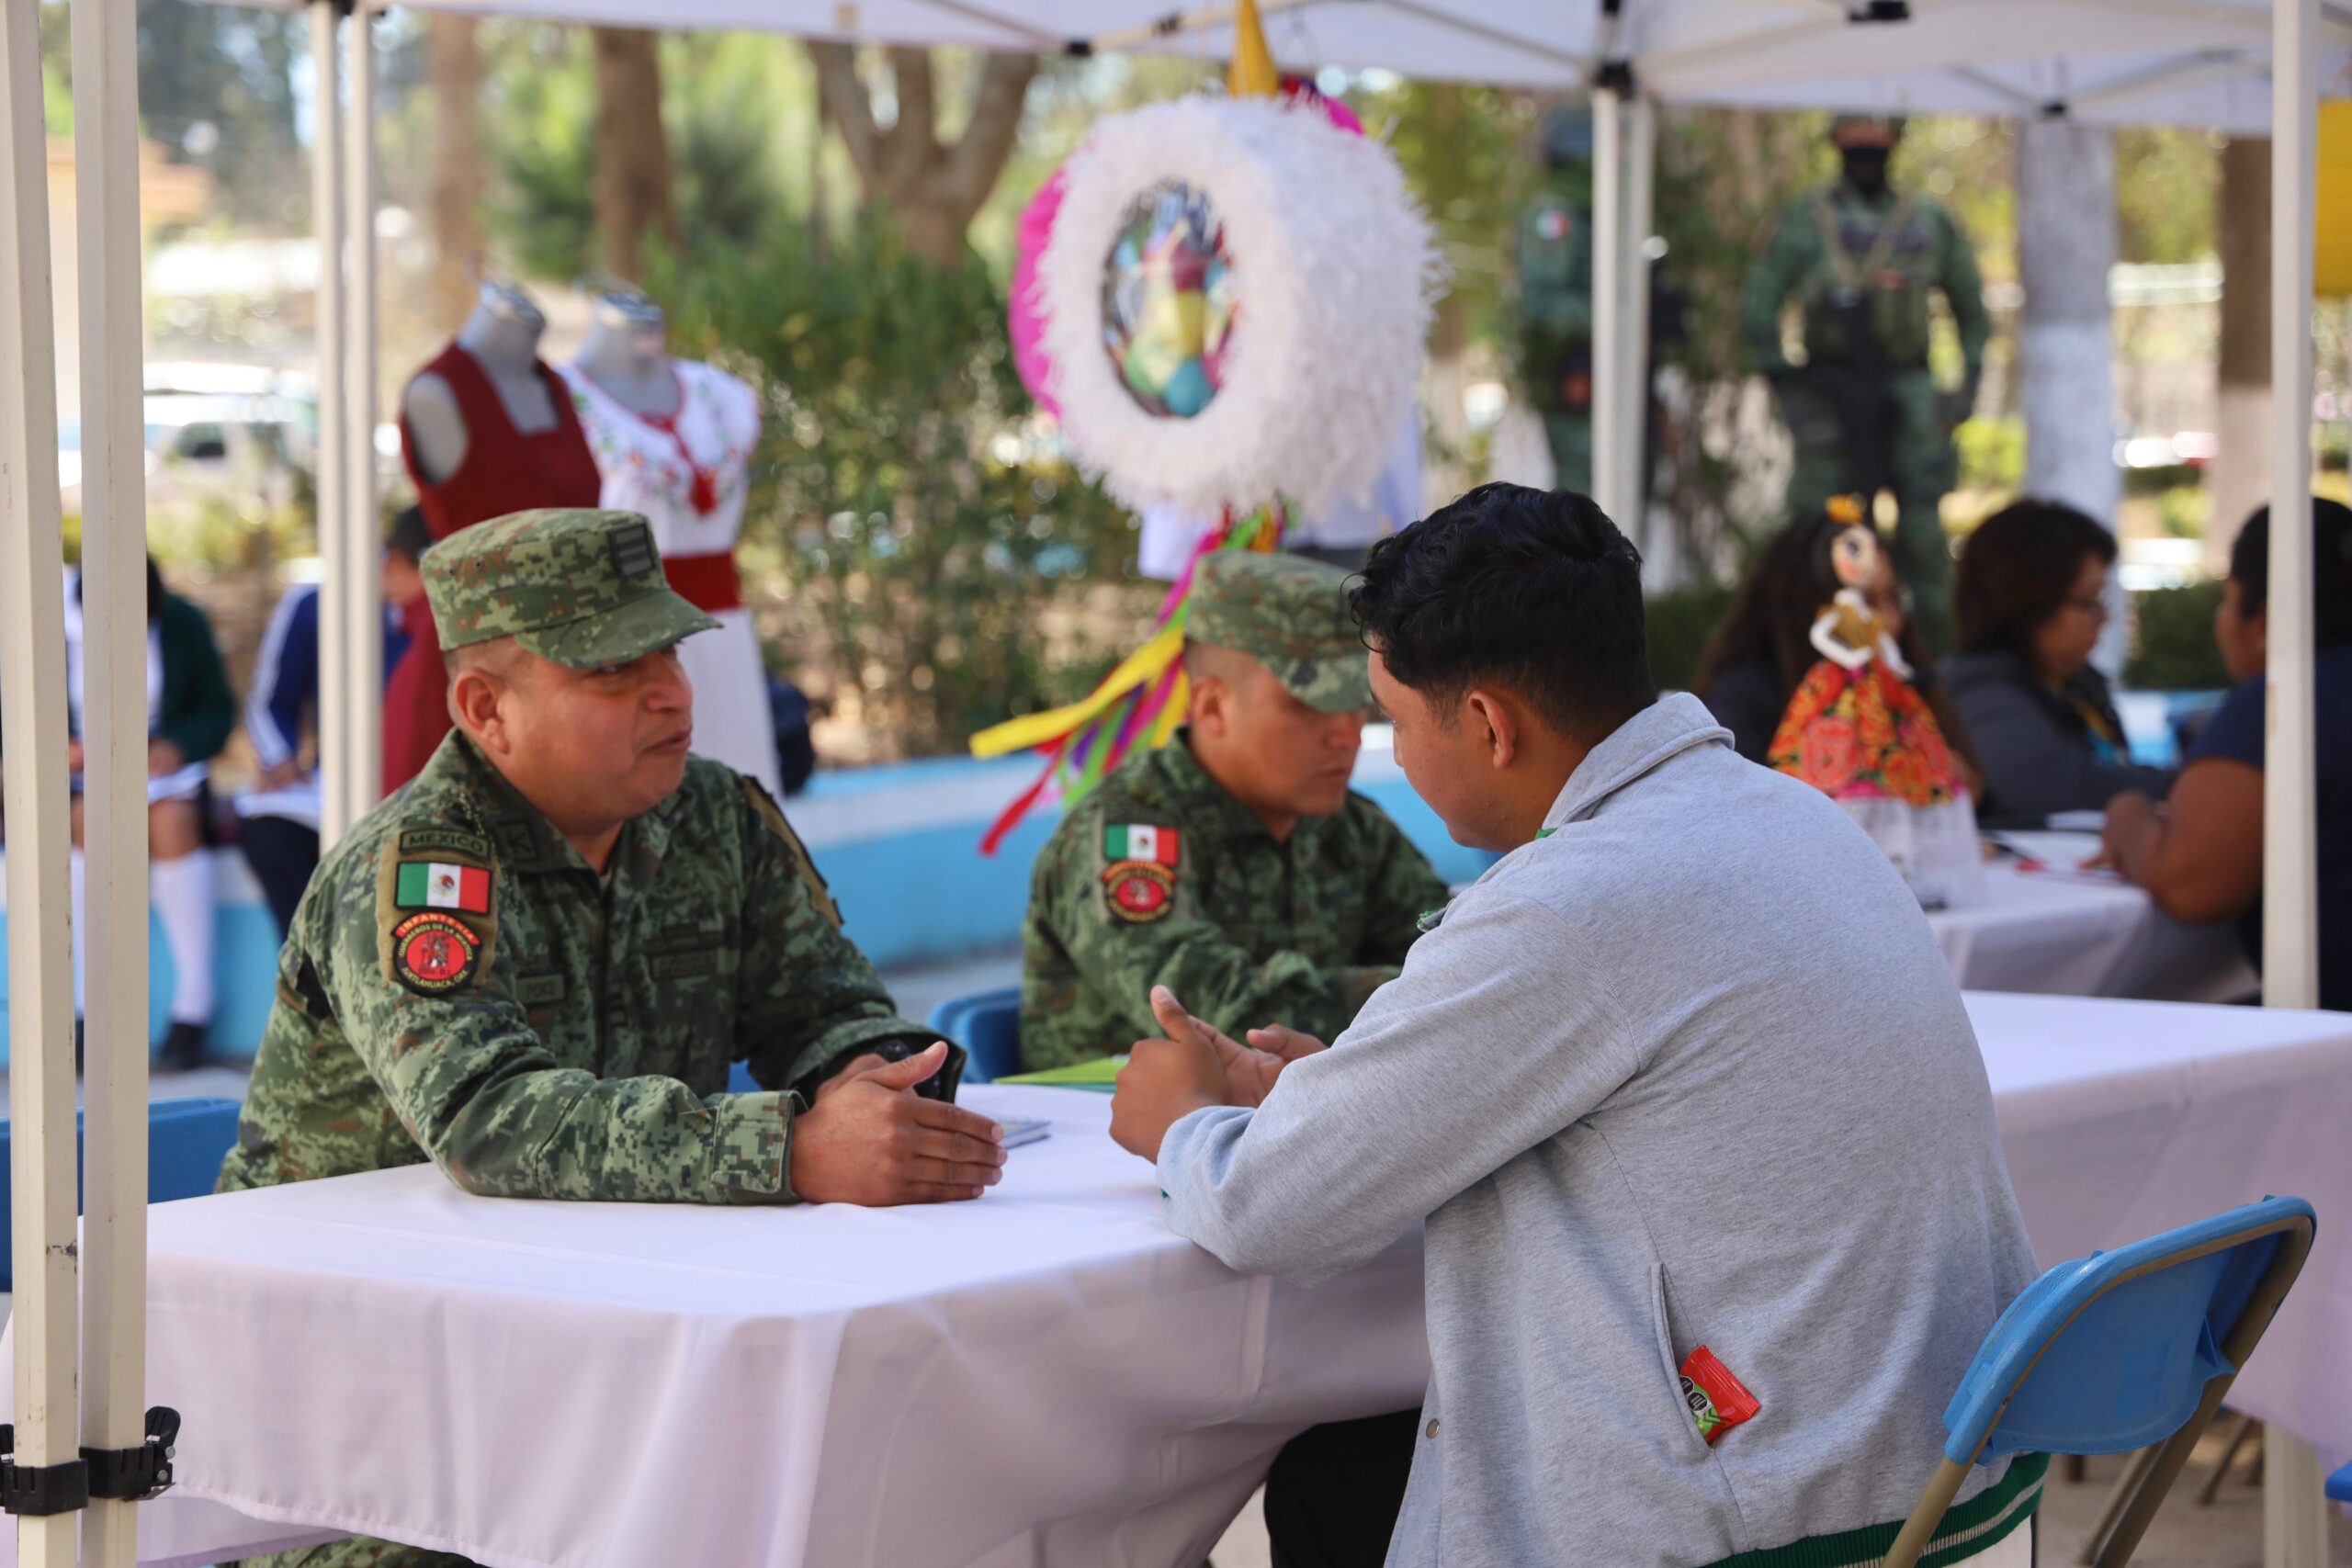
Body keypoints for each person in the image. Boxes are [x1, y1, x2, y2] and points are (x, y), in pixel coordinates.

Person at [1109, 483, 2040, 1568]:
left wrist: (1181, 1126)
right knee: (1349, 1470)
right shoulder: (1794, 814)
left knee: (1340, 1480)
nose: (1391, 757)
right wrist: (1350, 1090)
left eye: (1394, 721)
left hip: (1785, 1516)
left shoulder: (1570, 900)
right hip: (1940, 1477)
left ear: (1487, 724)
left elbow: (1274, 1206)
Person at [220, 508, 1007, 1206]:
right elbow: (486, 1118)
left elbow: (823, 1007)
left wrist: (871, 1075)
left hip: (602, 1270)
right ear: (487, 709)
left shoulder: (714, 815)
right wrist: (788, 1150)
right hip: (339, 1281)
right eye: (613, 668)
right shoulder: (419, 867)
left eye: (671, 652)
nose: (674, 693)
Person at [1019, 551, 1449, 1071]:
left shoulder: (1352, 827)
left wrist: (1443, 990)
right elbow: (1232, 1020)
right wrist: (1420, 993)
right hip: (1108, 1121)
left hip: (1284, 1115)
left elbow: (1459, 957)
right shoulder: (1128, 831)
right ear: (1212, 706)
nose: (1347, 734)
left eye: (1359, 701)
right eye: (1311, 704)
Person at [1740, 115, 1989, 653]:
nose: (1866, 145)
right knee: (1816, 534)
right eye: (1854, 133)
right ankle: (1803, 658)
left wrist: (1962, 390)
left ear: (1895, 139)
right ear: (1835, 140)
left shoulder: (1927, 219)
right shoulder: (1805, 219)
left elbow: (1972, 309)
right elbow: (1758, 306)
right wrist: (1790, 388)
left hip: (1907, 390)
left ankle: (1935, 665)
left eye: (1876, 133)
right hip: (1829, 394)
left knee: (1922, 538)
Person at [2101, 499, 2352, 1011]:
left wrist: (2127, 814)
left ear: (2264, 617)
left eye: (2226, 600)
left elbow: (2191, 885)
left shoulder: (2286, 702)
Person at [64, 558, 237, 1070]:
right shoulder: (48, 624)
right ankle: (88, 1006)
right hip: (83, 779)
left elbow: (217, 710)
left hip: (164, 778)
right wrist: (66, 748)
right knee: (88, 821)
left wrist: (177, 745)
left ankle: (193, 1005)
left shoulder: (182, 622)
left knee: (172, 822)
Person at [1694, 507, 1981, 795]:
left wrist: (1960, 793)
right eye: (1867, 601)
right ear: (1811, 606)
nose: (1885, 622)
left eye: (1894, 599)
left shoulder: (1909, 693)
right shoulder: (1747, 701)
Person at [236, 507, 429, 935]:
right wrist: (281, 759)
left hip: (422, 793)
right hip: (331, 787)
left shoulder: (442, 614)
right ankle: (309, 965)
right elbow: (270, 702)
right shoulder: (314, 605)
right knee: (271, 831)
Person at [1945, 499, 2173, 821]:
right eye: (2089, 600)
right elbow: (2047, 785)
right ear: (2030, 604)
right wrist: (2195, 785)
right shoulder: (1981, 693)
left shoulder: (2075, 684)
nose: (2104, 618)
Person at [1511, 106, 1595, 493]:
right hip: (1571, 374)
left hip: (1601, 374)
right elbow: (1542, 304)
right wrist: (1612, 321)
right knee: (1582, 495)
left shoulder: (1591, 209)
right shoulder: (1555, 215)